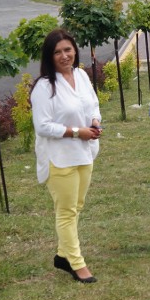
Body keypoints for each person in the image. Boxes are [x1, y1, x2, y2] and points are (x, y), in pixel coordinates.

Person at [31, 29, 102, 283]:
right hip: (60, 157)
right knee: (66, 211)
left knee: (77, 206)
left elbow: (93, 104)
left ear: (75, 50)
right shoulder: (44, 87)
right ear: (49, 57)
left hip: (84, 153)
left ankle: (62, 256)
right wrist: (76, 132)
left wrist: (94, 121)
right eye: (58, 52)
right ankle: (77, 263)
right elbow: (42, 126)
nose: (64, 56)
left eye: (68, 50)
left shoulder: (81, 75)